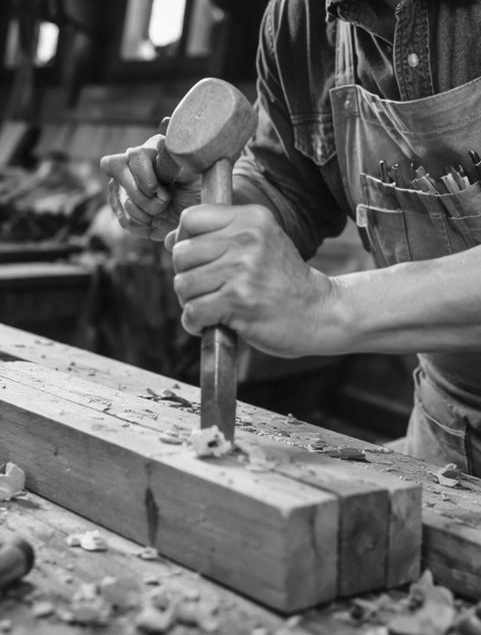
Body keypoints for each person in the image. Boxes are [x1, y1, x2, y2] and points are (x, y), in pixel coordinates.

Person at [101, 0, 481, 474]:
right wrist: (215, 202)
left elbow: (320, 303)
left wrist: (324, 305)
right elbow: (287, 186)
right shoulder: (298, 19)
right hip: (447, 425)